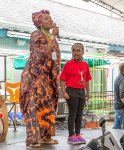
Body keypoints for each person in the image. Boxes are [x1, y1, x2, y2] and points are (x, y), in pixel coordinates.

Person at [20, 10, 60, 147]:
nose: (50, 20)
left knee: (47, 106)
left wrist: (54, 75)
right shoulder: (36, 35)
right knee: (33, 106)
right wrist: (53, 36)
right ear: (39, 23)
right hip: (34, 77)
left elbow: (55, 57)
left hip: (46, 78)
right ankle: (33, 138)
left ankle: (46, 136)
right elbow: (41, 54)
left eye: (50, 18)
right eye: (46, 18)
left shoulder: (51, 37)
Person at [60, 43, 92, 145]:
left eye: (78, 50)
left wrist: (88, 92)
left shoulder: (85, 65)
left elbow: (87, 80)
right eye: (74, 50)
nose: (76, 52)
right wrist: (64, 92)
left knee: (79, 115)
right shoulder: (68, 64)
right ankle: (71, 136)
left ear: (82, 52)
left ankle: (78, 134)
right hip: (71, 91)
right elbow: (62, 79)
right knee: (72, 114)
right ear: (72, 52)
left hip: (81, 91)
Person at [113, 62, 124, 129]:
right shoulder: (122, 79)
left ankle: (115, 139)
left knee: (116, 128)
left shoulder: (118, 77)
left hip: (117, 106)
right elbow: (122, 95)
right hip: (122, 107)